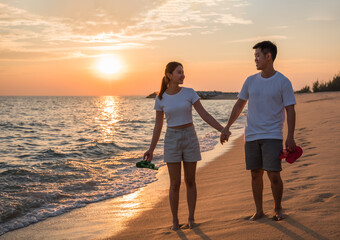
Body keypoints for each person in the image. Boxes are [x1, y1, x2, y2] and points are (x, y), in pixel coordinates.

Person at [143, 61, 229, 230]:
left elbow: (204, 114)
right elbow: (158, 126)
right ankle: (175, 221)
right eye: (179, 72)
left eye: (183, 72)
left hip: (190, 137)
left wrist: (222, 129)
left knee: (190, 181)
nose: (183, 75)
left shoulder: (189, 93)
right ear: (169, 75)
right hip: (172, 140)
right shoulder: (161, 98)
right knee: (175, 184)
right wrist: (151, 149)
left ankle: (191, 219)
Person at [220, 41, 296, 221]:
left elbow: (290, 110)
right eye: (254, 56)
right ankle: (259, 210)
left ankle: (278, 209)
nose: (255, 59)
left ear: (268, 56)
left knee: (273, 174)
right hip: (252, 135)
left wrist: (290, 136)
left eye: (257, 56)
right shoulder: (250, 80)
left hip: (272, 135)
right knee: (255, 173)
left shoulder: (283, 82)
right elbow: (239, 104)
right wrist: (227, 127)